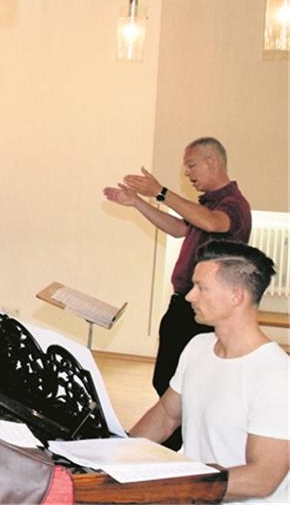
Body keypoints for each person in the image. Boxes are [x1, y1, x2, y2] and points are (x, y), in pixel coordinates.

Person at [129, 241, 287, 502]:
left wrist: (176, 485)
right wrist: (116, 456)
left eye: (201, 287)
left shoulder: (276, 376)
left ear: (237, 296)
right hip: (194, 493)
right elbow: (168, 415)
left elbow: (262, 479)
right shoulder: (198, 347)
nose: (190, 296)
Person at [104, 138, 252, 400]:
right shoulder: (206, 203)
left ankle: (176, 439)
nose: (187, 173)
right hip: (184, 305)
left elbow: (213, 224)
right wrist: (137, 202)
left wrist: (161, 191)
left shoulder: (232, 203)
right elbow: (179, 228)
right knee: (166, 379)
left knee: (183, 385)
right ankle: (172, 437)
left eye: (191, 165)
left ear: (212, 161)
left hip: (205, 310)